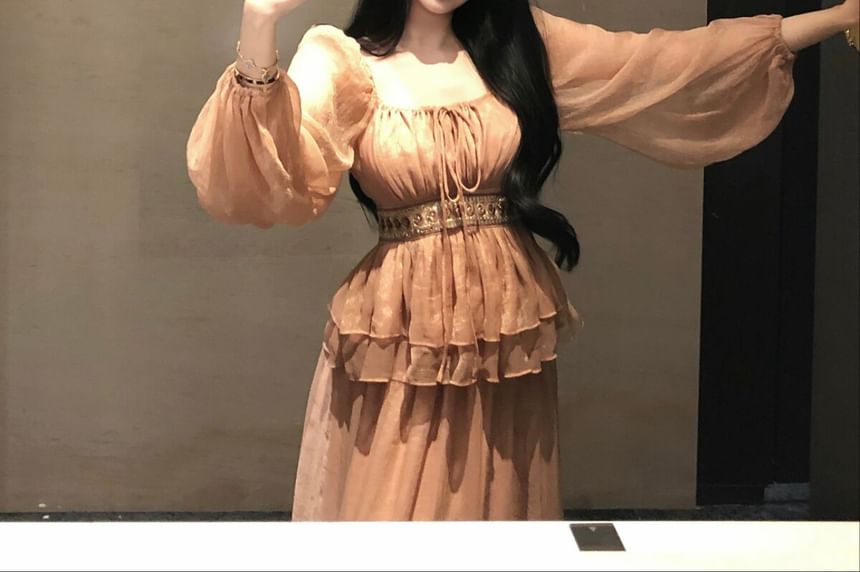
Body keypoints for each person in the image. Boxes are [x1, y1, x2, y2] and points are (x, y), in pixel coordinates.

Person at [185, 0, 859, 521]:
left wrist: (835, 17)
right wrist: (259, 20)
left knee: (498, 501)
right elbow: (267, 169)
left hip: (503, 325)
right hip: (402, 329)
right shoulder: (342, 61)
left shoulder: (522, 45)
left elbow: (664, 63)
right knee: (392, 508)